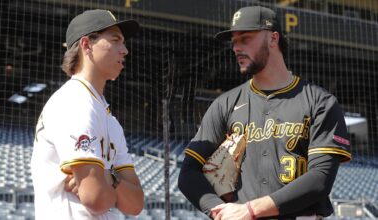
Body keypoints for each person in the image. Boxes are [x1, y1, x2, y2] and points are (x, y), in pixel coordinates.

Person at [178, 6, 351, 220]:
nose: (236, 47)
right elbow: (188, 172)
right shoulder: (225, 104)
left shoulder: (320, 102)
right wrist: (220, 210)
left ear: (273, 38)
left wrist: (249, 211)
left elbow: (320, 179)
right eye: (234, 41)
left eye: (245, 38)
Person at [31, 9, 144, 219]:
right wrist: (112, 184)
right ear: (86, 45)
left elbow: (136, 204)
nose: (125, 50)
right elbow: (97, 198)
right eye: (115, 40)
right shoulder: (74, 101)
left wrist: (108, 178)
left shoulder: (107, 116)